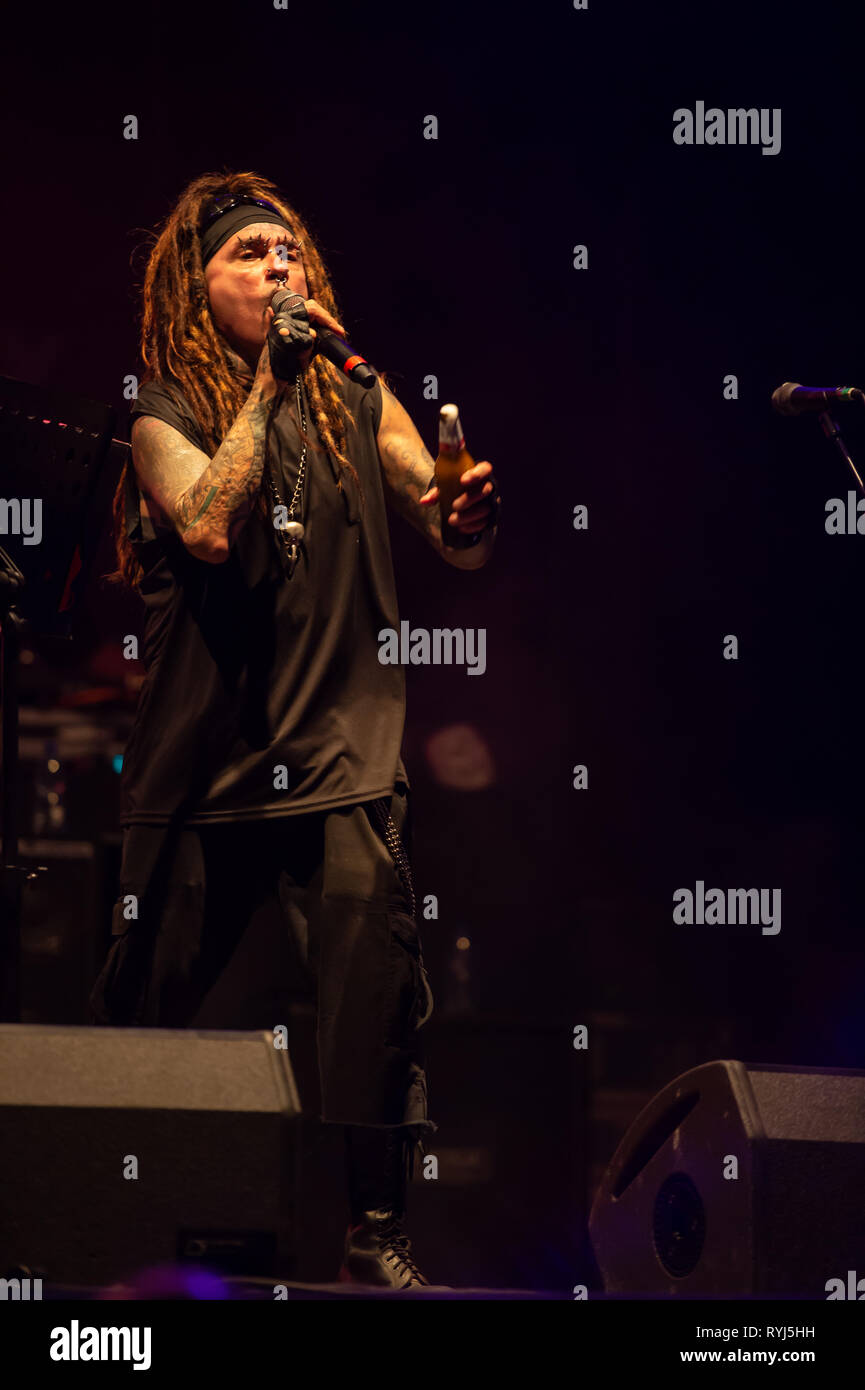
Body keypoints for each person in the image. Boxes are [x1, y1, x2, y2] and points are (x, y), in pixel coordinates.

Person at [88, 170, 501, 1288]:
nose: (280, 267)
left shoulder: (360, 402)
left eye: (290, 253)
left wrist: (463, 508)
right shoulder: (162, 412)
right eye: (249, 254)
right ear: (197, 286)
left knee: (372, 1009)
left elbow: (447, 524)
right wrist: (267, 386)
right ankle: (88, 1222)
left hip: (341, 757)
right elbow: (211, 525)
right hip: (204, 768)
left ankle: (376, 1241)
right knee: (143, 1012)